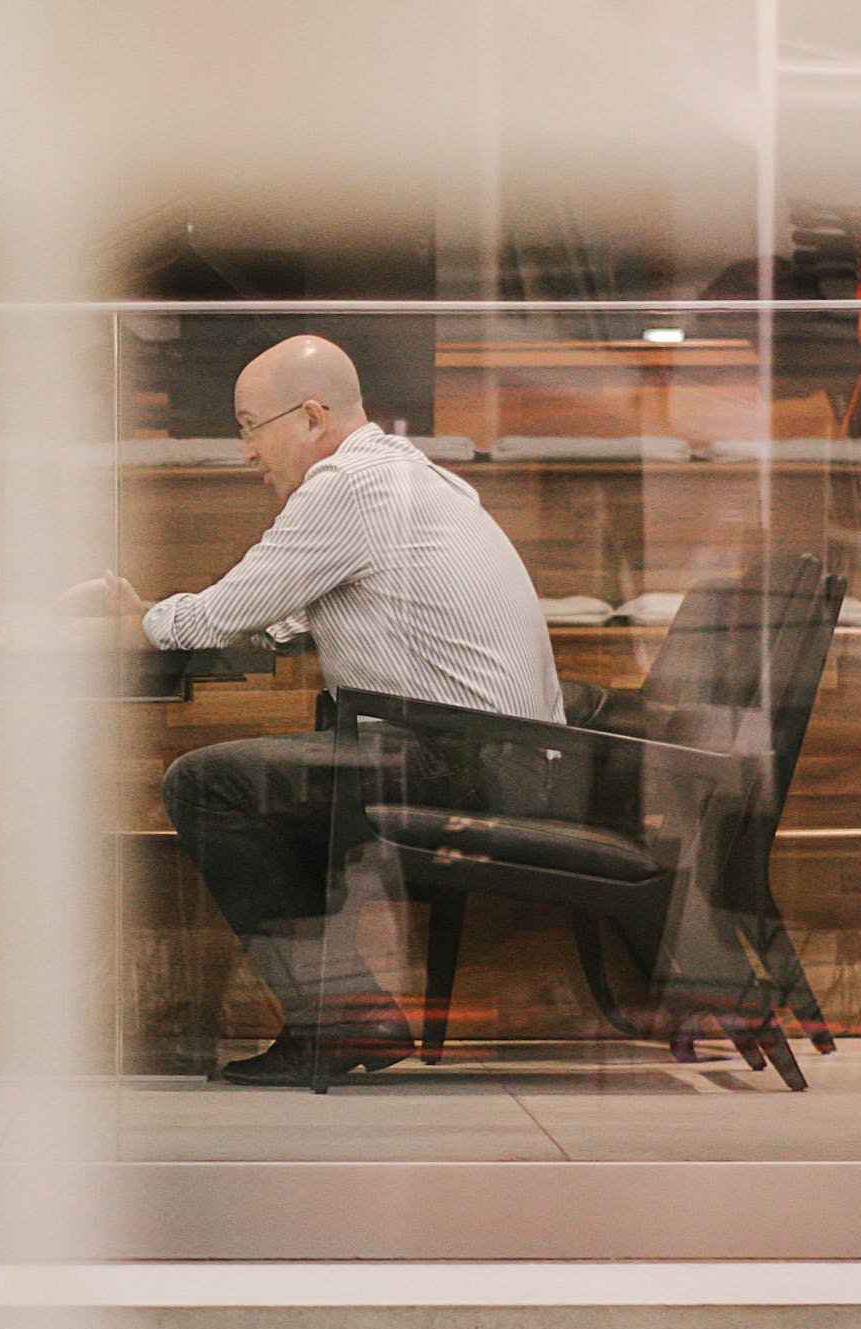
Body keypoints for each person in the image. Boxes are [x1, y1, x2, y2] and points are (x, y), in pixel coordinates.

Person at [71, 335, 563, 1086]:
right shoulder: (394, 480)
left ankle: (341, 1014)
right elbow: (275, 615)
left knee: (206, 784)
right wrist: (156, 617)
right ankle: (339, 1011)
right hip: (495, 757)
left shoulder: (352, 487)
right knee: (277, 775)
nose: (245, 454)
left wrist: (124, 626)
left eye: (246, 427)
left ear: (308, 416)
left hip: (470, 763)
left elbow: (219, 616)